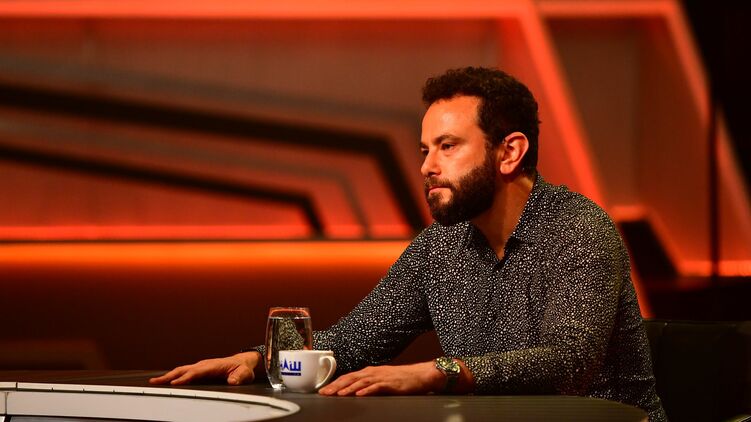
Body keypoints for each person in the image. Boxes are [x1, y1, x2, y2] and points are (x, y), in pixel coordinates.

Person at [150, 67, 667, 421]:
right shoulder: (440, 247)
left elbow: (568, 363)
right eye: (424, 150)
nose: (427, 167)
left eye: (448, 146)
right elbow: (353, 342)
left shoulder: (578, 229)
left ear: (509, 152)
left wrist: (436, 373)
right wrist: (262, 359)